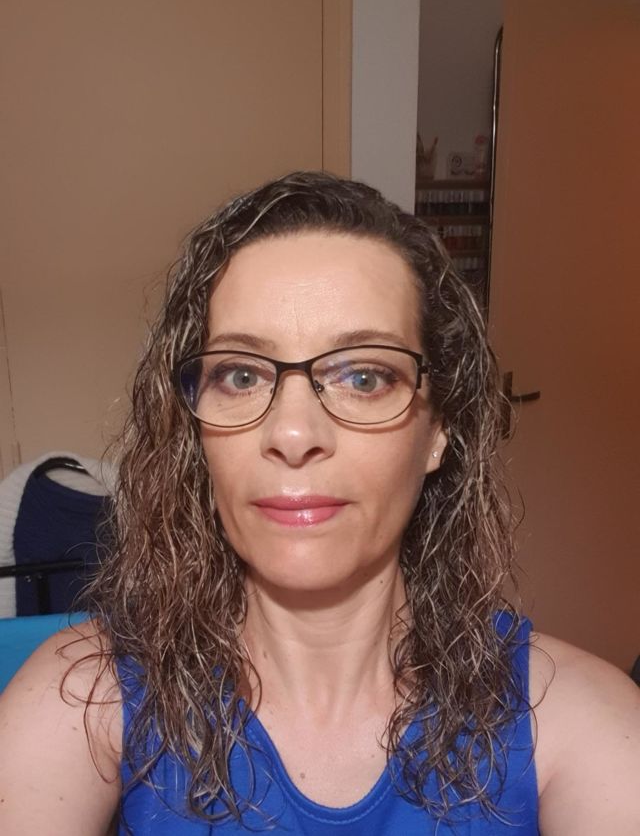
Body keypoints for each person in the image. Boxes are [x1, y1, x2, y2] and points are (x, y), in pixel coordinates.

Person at [0, 172, 638, 835]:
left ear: (438, 430)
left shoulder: (578, 722)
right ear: (195, 428)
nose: (294, 433)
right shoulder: (80, 697)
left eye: (363, 376)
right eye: (241, 375)